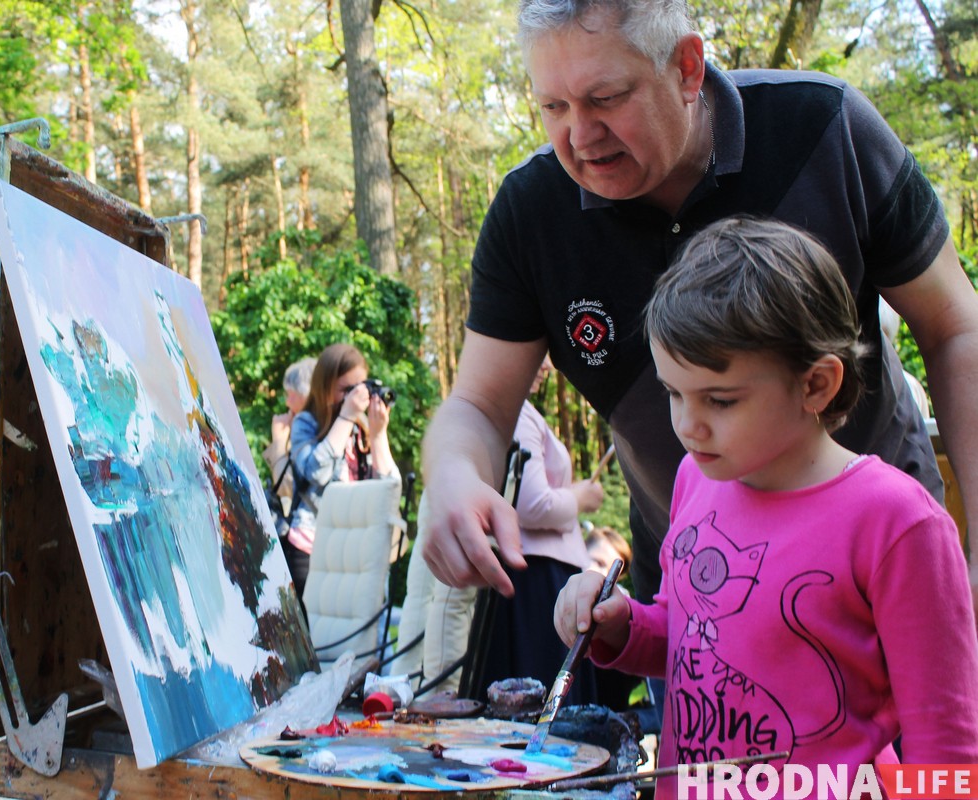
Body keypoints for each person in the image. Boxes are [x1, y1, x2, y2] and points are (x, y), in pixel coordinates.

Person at [418, 0, 978, 614]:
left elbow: (956, 328)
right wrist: (451, 476)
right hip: (697, 590)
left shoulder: (824, 127)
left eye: (606, 98)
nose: (579, 136)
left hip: (882, 565)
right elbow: (477, 406)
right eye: (553, 106)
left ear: (687, 67)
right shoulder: (531, 215)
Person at [554, 217, 978, 796]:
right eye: (673, 392)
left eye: (720, 400)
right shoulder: (694, 482)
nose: (687, 424)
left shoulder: (897, 522)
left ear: (816, 385)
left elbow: (948, 744)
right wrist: (621, 624)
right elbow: (693, 639)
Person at [476, 353, 606, 704]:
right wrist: (580, 497)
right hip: (538, 582)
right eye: (540, 356)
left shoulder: (512, 411)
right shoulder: (517, 415)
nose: (548, 366)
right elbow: (532, 506)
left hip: (536, 578)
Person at [286, 344, 399, 597]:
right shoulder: (307, 423)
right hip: (311, 550)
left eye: (361, 388)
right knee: (317, 636)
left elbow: (390, 489)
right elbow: (316, 472)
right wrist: (345, 418)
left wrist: (379, 435)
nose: (356, 398)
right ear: (325, 389)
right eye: (348, 390)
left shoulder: (364, 429)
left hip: (354, 554)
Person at [262, 356, 317, 515]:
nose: (287, 403)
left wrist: (278, 439)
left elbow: (286, 489)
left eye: (290, 394)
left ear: (306, 394)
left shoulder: (313, 430)